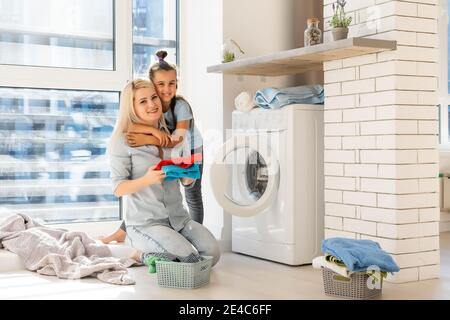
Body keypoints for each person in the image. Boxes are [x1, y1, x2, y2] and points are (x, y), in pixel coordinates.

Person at [106, 78, 220, 265]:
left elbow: (184, 183)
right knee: (188, 258)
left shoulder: (172, 136)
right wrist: (147, 179)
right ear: (131, 107)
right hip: (146, 223)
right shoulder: (122, 141)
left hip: (179, 219)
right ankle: (142, 254)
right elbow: (118, 189)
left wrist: (186, 177)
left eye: (154, 98)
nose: (152, 104)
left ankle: (164, 250)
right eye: (143, 101)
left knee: (212, 254)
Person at [100, 50, 205, 244]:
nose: (166, 89)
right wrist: (155, 134)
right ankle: (128, 233)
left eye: (172, 83)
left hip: (189, 148)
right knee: (150, 193)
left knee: (192, 194)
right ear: (152, 86)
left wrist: (149, 139)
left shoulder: (180, 106)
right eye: (160, 84)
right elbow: (130, 124)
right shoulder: (153, 105)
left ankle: (193, 234)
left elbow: (177, 140)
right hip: (167, 146)